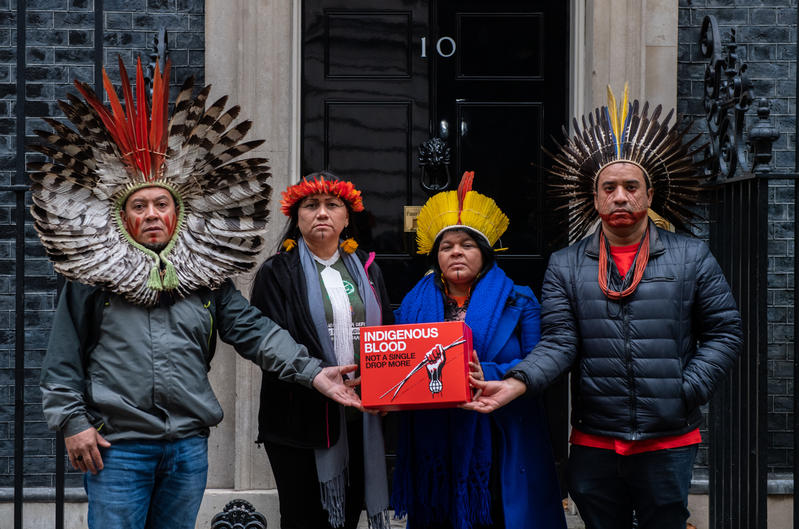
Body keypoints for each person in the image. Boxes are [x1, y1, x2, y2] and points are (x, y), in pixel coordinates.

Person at [33, 57, 361, 529]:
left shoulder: (206, 279)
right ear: (123, 217)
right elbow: (61, 362)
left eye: (161, 204)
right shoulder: (92, 280)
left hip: (187, 446)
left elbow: (254, 332)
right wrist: (72, 422)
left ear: (178, 212)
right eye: (139, 205)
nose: (151, 214)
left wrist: (315, 374)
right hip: (118, 448)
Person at [464, 84, 744, 529]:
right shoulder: (566, 264)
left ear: (650, 196)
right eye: (609, 188)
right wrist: (516, 383)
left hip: (668, 440)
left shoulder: (691, 256)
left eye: (631, 187)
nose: (620, 197)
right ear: (594, 200)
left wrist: (684, 389)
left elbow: (726, 331)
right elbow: (560, 342)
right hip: (595, 441)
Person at [390, 172, 566, 529]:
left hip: (500, 434)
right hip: (434, 437)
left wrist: (493, 374)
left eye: (467, 244)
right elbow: (399, 364)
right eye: (446, 246)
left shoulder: (520, 299)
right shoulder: (411, 305)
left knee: (498, 515)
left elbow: (539, 364)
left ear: (484, 254)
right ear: (436, 255)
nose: (456, 251)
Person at [249, 172, 393, 529]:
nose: (322, 213)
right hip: (298, 421)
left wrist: (389, 386)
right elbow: (267, 344)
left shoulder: (369, 270)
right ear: (297, 217)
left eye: (332, 205)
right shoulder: (277, 272)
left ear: (347, 217)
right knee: (303, 519)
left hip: (361, 418)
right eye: (311, 206)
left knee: (347, 517)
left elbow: (390, 333)